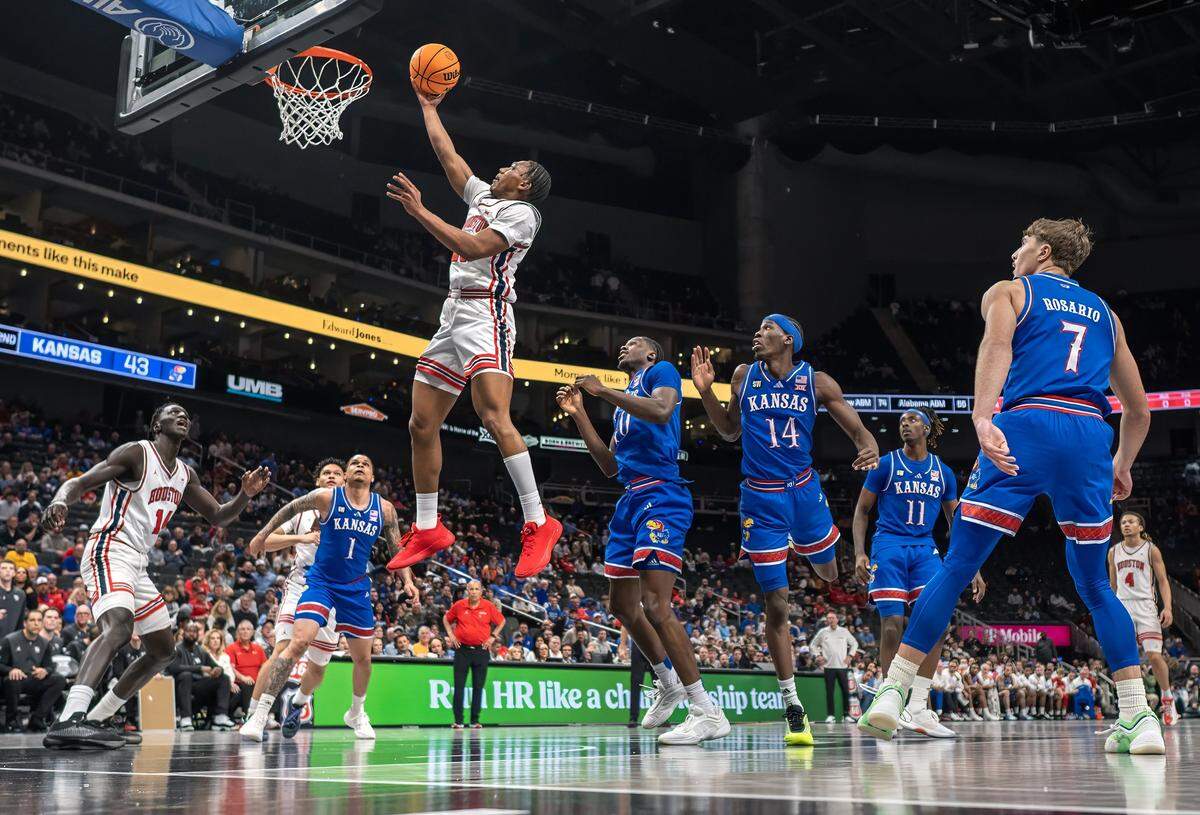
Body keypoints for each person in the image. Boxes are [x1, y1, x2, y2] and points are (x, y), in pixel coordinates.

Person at [858, 218, 1164, 755]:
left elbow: (996, 349)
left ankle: (894, 691)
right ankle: (1140, 717)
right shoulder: (1107, 317)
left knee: (957, 567)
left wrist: (981, 418)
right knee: (1094, 587)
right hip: (1090, 436)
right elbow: (1138, 410)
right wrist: (1121, 464)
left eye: (1021, 242)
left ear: (1042, 251)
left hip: (1026, 426)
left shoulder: (1011, 291)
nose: (1013, 251)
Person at [384, 77, 561, 578]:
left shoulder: (525, 214)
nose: (502, 168)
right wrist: (427, 106)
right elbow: (448, 155)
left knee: (492, 414)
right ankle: (427, 526)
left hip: (488, 313)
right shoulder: (484, 195)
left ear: (524, 183)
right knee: (421, 422)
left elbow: (475, 247)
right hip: (453, 312)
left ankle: (537, 521)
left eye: (513, 167)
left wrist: (420, 211)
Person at [691, 315, 879, 746]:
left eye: (767, 328)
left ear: (789, 339)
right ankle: (792, 703)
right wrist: (705, 392)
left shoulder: (817, 381)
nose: (757, 333)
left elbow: (858, 430)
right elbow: (728, 430)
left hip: (803, 492)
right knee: (776, 602)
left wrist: (868, 447)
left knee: (829, 573)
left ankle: (814, 552)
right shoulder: (743, 375)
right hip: (760, 500)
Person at [40, 402, 270, 749]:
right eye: (173, 412)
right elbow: (82, 481)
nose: (182, 416)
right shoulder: (136, 454)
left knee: (163, 650)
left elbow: (220, 517)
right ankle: (70, 718)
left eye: (186, 414)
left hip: (138, 563)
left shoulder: (184, 474)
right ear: (155, 424)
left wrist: (244, 495)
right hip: (110, 548)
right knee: (118, 628)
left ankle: (99, 717)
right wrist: (60, 500)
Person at [557, 336, 728, 745]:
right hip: (630, 499)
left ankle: (706, 710)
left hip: (662, 495)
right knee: (620, 604)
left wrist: (603, 391)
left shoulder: (660, 373)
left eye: (632, 343)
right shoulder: (622, 409)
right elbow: (609, 466)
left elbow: (663, 409)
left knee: (655, 604)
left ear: (650, 354)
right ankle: (667, 681)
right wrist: (582, 412)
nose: (622, 346)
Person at [240, 454, 419, 742]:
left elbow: (398, 548)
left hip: (354, 588)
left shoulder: (384, 509)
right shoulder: (324, 499)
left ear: (372, 476)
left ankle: (345, 711)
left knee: (350, 661)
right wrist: (262, 536)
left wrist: (408, 580)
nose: (359, 466)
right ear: (345, 476)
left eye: (366, 464)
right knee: (292, 644)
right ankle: (258, 715)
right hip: (314, 583)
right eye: (353, 463)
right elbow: (287, 509)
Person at [852, 408, 986, 738]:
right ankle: (890, 702)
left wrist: (975, 567)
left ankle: (920, 707)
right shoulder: (886, 464)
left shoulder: (943, 473)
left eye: (912, 421)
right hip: (889, 546)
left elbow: (959, 524)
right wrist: (858, 552)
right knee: (892, 625)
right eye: (901, 422)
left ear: (926, 428)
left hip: (925, 549)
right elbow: (862, 511)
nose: (905, 425)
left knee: (937, 623)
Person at [245, 458, 346, 735]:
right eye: (326, 473)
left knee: (318, 667)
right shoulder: (301, 510)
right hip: (302, 583)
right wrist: (300, 539)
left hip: (337, 591)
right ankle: (255, 715)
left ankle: (299, 703)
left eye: (337, 474)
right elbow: (266, 541)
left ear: (345, 482)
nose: (331, 477)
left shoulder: (354, 513)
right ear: (317, 481)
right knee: (284, 647)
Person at [1109, 511, 1176, 726]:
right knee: (1124, 659)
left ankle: (1167, 699)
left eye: (1131, 522)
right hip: (1122, 607)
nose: (1126, 525)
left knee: (1154, 656)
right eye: (1123, 522)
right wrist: (1109, 610)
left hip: (1146, 606)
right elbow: (1113, 585)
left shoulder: (1150, 550)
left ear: (1140, 526)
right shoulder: (1113, 552)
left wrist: (1167, 607)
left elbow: (1163, 581)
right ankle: (1130, 707)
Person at [443, 580, 504, 729]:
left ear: (481, 592)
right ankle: (458, 721)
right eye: (471, 589)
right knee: (459, 686)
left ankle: (474, 720)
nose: (474, 591)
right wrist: (450, 634)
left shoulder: (488, 606)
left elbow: (502, 621)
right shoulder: (459, 605)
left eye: (477, 589)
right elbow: (446, 618)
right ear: (467, 591)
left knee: (478, 686)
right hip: (462, 650)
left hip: (481, 651)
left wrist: (493, 636)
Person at [1, 609, 65, 732]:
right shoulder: (10, 640)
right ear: (25, 623)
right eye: (32, 620)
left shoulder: (45, 643)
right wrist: (11, 670)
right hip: (16, 680)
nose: (36, 623)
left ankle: (37, 718)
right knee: (11, 680)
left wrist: (45, 670)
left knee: (59, 680)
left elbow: (50, 666)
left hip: (34, 679)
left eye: (39, 620)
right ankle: (12, 719)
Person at [168, 621, 233, 730]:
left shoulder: (201, 651)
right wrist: (200, 668)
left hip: (198, 686)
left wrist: (218, 670)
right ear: (183, 633)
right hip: (180, 686)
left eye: (194, 632)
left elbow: (215, 666)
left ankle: (220, 716)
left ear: (198, 635)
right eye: (189, 631)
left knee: (224, 678)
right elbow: (174, 668)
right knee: (186, 675)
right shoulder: (177, 649)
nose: (192, 634)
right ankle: (185, 718)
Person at [809, 612, 859, 723]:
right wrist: (818, 655)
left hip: (842, 666)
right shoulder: (823, 632)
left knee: (846, 691)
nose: (830, 620)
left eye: (832, 618)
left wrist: (850, 655)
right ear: (826, 621)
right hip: (828, 666)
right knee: (829, 691)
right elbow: (813, 645)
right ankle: (830, 715)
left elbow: (854, 643)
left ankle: (846, 715)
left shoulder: (844, 631)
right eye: (828, 618)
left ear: (837, 619)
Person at [225, 619, 267, 719]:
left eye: (248, 629)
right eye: (242, 629)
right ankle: (250, 716)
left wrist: (262, 680)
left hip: (257, 682)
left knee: (272, 683)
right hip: (239, 682)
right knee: (247, 684)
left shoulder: (258, 648)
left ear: (252, 632)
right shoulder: (231, 648)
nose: (245, 631)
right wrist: (243, 678)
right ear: (238, 632)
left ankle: (270, 717)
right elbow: (230, 667)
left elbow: (265, 666)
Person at [0, 561, 25, 638]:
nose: (7, 570)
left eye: (11, 568)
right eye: (4, 568)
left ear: (14, 573)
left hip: (11, 641)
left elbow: (20, 621)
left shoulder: (21, 594)